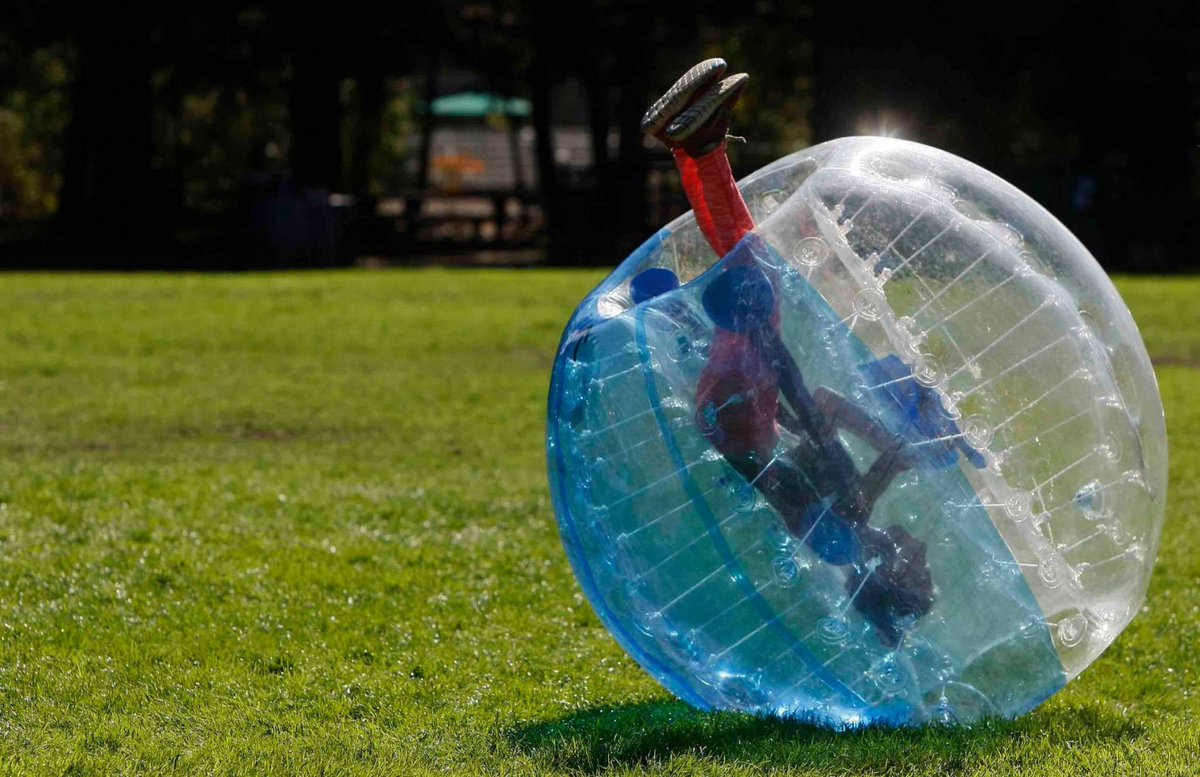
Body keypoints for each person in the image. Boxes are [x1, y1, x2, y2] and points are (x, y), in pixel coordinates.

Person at [638, 59, 983, 646]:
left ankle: (697, 147)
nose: (923, 560)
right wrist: (891, 444)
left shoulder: (839, 543)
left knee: (757, 276)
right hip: (745, 410)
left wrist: (892, 458)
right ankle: (697, 147)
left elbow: (803, 492)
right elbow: (822, 404)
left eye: (917, 578)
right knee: (755, 268)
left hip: (739, 416)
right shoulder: (855, 520)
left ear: (884, 576)